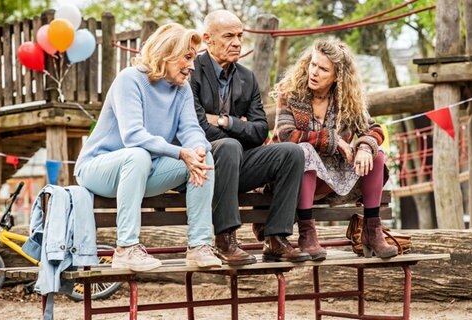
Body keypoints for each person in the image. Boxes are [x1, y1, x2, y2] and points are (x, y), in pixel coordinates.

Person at [74, 23, 222, 271]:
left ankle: (199, 246)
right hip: (98, 169)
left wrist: (195, 149)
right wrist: (179, 152)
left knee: (203, 155)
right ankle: (126, 248)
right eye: (187, 57)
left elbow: (190, 129)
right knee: (138, 155)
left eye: (194, 58)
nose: (192, 66)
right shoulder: (129, 79)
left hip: (144, 170)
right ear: (167, 53)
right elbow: (133, 135)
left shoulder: (182, 89)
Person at [190, 10, 313, 264]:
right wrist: (237, 129)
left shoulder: (247, 77)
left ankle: (276, 238)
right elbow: (198, 126)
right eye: (228, 36)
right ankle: (225, 239)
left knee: (292, 152)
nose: (236, 42)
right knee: (229, 145)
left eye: (239, 36)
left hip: (239, 162)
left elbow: (259, 132)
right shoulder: (193, 72)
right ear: (207, 39)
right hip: (201, 165)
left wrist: (225, 120)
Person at [273, 39, 398, 259]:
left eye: (323, 69)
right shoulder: (291, 93)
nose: (314, 72)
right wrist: (332, 140)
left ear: (337, 76)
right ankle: (307, 234)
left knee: (376, 154)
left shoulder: (347, 100)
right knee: (304, 151)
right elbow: (286, 135)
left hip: (333, 180)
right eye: (313, 64)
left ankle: (372, 231)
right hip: (295, 177)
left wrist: (364, 147)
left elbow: (375, 129)